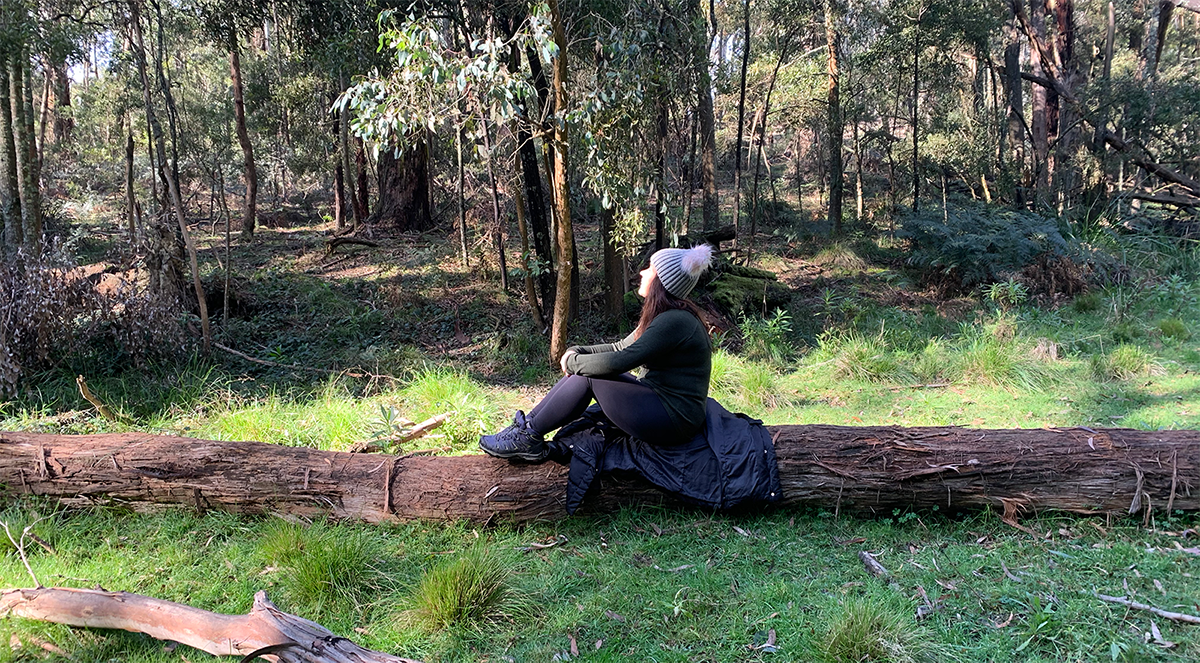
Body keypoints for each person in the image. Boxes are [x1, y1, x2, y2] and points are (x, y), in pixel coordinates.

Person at [480, 244, 715, 461]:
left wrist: (575, 363)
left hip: (673, 420)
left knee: (590, 375)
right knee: (589, 370)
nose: (642, 273)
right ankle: (527, 429)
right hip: (665, 407)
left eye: (650, 269)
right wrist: (578, 351)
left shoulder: (675, 321)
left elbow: (620, 360)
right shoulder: (668, 316)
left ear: (662, 281)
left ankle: (527, 435)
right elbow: (620, 347)